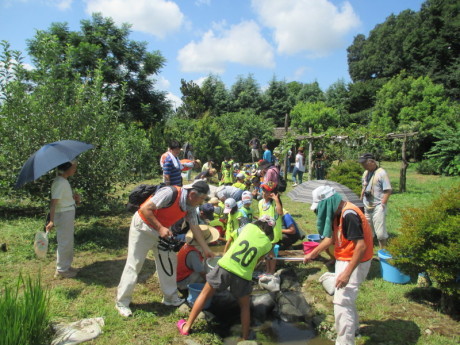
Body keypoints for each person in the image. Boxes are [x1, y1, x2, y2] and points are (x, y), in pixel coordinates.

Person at [115, 180, 215, 317]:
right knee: (135, 263)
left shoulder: (190, 206)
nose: (201, 203)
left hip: (162, 231)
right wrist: (160, 228)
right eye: (202, 199)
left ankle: (170, 297)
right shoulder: (170, 193)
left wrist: (206, 249)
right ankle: (122, 302)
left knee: (169, 261)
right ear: (192, 194)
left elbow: (195, 227)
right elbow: (145, 209)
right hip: (143, 227)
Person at [176, 216, 275, 340]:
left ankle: (186, 327)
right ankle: (245, 337)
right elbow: (257, 262)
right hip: (243, 275)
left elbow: (236, 237)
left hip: (225, 266)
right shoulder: (267, 244)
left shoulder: (249, 227)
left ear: (260, 222)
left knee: (204, 294)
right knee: (244, 307)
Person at [304, 186, 373, 345]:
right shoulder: (337, 214)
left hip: (356, 262)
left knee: (341, 303)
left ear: (327, 203)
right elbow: (330, 240)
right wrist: (312, 253)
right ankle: (353, 329)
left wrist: (347, 273)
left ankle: (345, 342)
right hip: (345, 257)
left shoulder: (349, 215)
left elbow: (361, 247)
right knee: (346, 299)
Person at [46, 161, 80, 279]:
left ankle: (66, 266)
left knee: (68, 241)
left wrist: (73, 198)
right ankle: (61, 270)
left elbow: (62, 199)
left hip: (67, 213)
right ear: (67, 169)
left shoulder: (63, 181)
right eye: (73, 167)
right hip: (64, 214)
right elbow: (53, 203)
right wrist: (51, 220)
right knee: (64, 242)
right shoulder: (60, 182)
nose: (75, 169)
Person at [358, 153, 392, 249]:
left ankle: (383, 251)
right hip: (366, 205)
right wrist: (360, 201)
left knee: (380, 233)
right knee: (367, 231)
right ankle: (369, 250)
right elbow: (363, 188)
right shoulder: (365, 173)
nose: (363, 166)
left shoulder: (381, 173)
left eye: (364, 163)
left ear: (372, 162)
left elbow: (388, 190)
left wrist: (382, 204)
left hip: (378, 206)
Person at [176, 225, 220, 291]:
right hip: (182, 283)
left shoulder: (188, 246)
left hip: (180, 277)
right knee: (207, 274)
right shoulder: (193, 253)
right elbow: (202, 273)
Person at [258, 182, 283, 274]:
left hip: (273, 232)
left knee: (271, 251)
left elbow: (280, 213)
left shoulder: (274, 204)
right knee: (266, 251)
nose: (263, 192)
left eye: (266, 190)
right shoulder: (260, 202)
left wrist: (276, 200)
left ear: (272, 193)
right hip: (264, 231)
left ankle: (271, 270)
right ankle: (267, 269)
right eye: (263, 190)